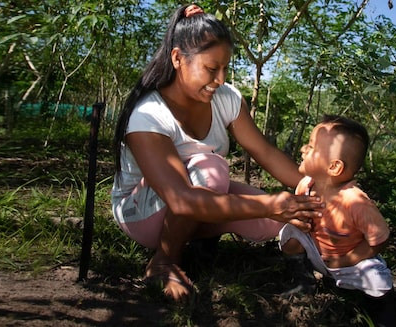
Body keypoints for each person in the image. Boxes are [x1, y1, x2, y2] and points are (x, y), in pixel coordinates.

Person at [111, 4, 323, 302]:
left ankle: (199, 240)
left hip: (197, 196)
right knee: (212, 168)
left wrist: (317, 189)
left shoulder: (225, 98)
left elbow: (265, 152)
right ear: (177, 59)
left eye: (225, 68)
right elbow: (181, 199)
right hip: (141, 213)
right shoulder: (148, 114)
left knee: (279, 222)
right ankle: (163, 262)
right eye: (211, 69)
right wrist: (269, 203)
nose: (221, 78)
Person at [278, 114, 396, 326]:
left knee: (377, 278)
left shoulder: (355, 201)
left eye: (312, 147)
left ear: (334, 167)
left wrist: (348, 259)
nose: (304, 149)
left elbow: (380, 239)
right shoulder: (306, 185)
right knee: (289, 232)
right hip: (319, 254)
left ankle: (379, 314)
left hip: (349, 262)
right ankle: (303, 281)